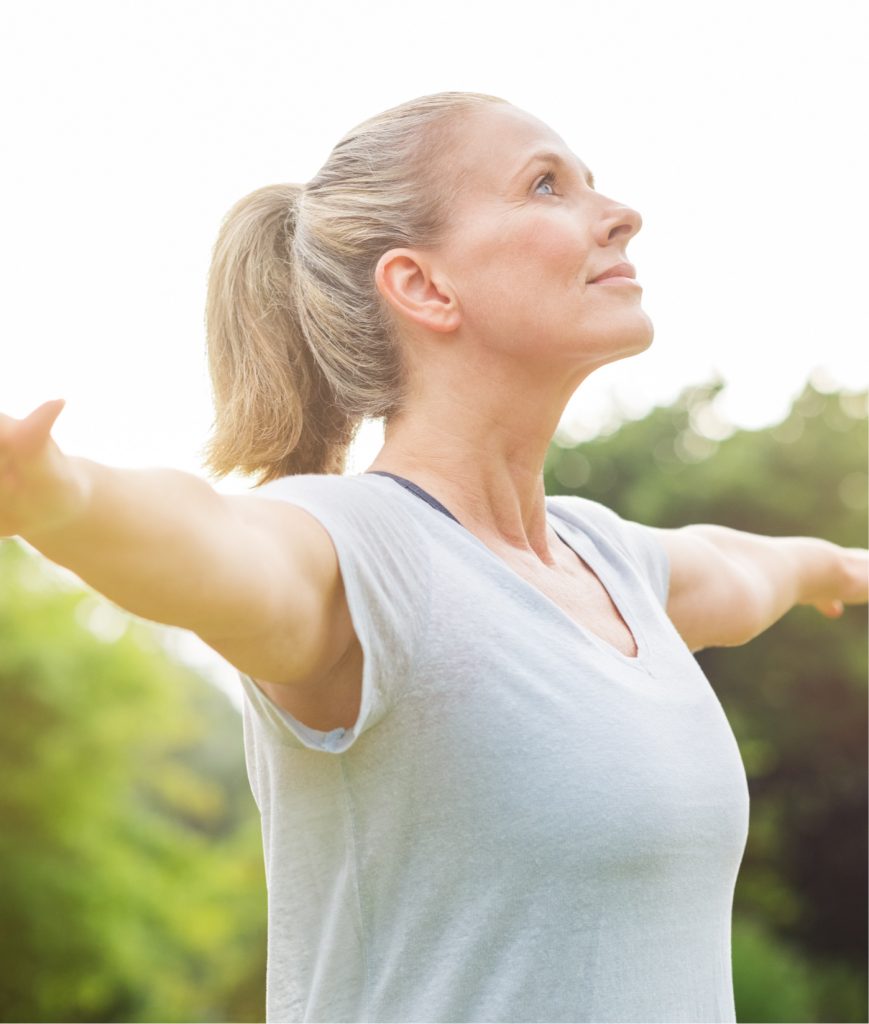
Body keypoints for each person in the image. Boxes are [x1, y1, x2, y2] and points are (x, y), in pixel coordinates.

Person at [1, 91, 865, 1024]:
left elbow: (753, 565)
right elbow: (209, 536)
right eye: (545, 184)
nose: (620, 213)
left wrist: (841, 567)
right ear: (422, 286)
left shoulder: (613, 562)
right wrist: (60, 496)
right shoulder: (361, 553)